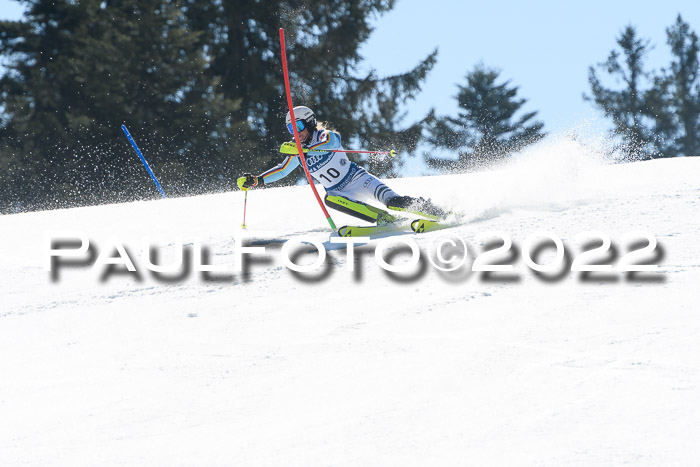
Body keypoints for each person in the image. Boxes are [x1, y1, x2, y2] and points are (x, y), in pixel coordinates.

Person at [236, 105, 446, 224]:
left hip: (359, 179)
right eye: (291, 129)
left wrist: (305, 150)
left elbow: (332, 142)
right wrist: (257, 180)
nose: (296, 133)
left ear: (309, 123)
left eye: (298, 126)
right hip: (339, 192)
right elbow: (282, 170)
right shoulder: (296, 151)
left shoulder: (323, 136)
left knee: (393, 201)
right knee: (331, 199)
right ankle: (383, 220)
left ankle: (434, 210)